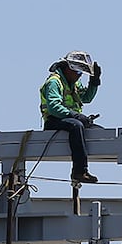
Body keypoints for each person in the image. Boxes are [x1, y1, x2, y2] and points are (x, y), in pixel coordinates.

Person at [39, 52, 102, 184]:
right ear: (68, 69)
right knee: (76, 126)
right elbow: (54, 107)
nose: (79, 77)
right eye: (78, 73)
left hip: (69, 119)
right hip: (53, 120)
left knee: (98, 131)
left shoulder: (73, 83)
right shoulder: (54, 82)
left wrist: (94, 82)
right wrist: (75, 115)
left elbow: (86, 98)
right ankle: (79, 171)